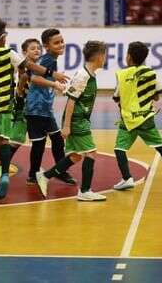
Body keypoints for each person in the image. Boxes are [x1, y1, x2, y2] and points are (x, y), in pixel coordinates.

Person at [0, 17, 69, 201]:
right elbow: (29, 66)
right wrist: (52, 73)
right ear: (2, 37)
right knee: (3, 141)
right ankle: (4, 178)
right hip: (3, 105)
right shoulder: (9, 53)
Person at [112, 41, 162, 191]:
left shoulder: (121, 75)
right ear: (144, 58)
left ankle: (127, 178)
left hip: (128, 120)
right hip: (146, 118)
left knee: (119, 149)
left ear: (128, 57)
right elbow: (156, 97)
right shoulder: (150, 73)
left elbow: (117, 97)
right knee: (160, 146)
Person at [36, 41, 107, 202]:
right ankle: (85, 191)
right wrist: (67, 126)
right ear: (98, 56)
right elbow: (71, 101)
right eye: (104, 55)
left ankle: (45, 176)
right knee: (91, 152)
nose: (105, 58)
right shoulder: (83, 76)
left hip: (81, 119)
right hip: (76, 120)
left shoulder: (89, 74)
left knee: (75, 156)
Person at [9, 38, 65, 184]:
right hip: (28, 108)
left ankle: (58, 171)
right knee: (18, 140)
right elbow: (23, 82)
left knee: (53, 140)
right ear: (24, 52)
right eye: (33, 48)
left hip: (42, 109)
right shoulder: (26, 67)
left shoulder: (39, 65)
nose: (37, 50)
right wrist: (20, 96)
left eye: (38, 48)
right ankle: (5, 164)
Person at [25, 29, 75, 185]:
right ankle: (33, 175)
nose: (61, 45)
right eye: (56, 43)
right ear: (47, 46)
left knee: (57, 140)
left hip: (44, 109)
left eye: (62, 41)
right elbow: (33, 78)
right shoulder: (48, 60)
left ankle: (58, 171)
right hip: (36, 108)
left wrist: (56, 86)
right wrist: (55, 83)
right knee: (40, 143)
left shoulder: (50, 59)